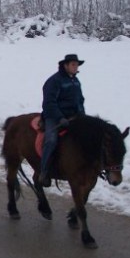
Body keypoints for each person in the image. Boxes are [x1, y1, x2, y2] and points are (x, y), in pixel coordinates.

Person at [39, 54, 86, 187]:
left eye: (77, 65)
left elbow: (80, 100)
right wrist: (60, 117)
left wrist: (82, 115)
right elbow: (49, 103)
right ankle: (44, 171)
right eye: (73, 64)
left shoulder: (75, 81)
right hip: (53, 117)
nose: (75, 67)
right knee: (51, 140)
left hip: (73, 117)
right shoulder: (54, 81)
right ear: (65, 65)